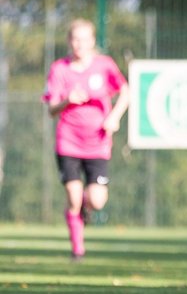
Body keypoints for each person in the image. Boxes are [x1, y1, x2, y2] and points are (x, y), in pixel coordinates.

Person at [42, 19, 130, 260]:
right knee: (72, 196)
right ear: (69, 41)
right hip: (68, 141)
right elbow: (51, 110)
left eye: (84, 39)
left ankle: (84, 208)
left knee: (98, 201)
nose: (79, 44)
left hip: (98, 143)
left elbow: (125, 91)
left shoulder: (104, 65)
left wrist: (114, 117)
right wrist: (67, 100)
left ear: (92, 41)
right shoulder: (59, 69)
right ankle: (78, 250)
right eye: (75, 39)